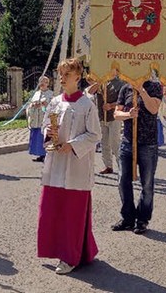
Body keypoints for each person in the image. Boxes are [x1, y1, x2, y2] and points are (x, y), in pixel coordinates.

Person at [38, 58, 100, 275]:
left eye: (66, 74)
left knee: (72, 213)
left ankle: (70, 256)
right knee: (53, 210)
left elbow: (95, 135)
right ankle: (58, 249)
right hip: (56, 164)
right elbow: (46, 126)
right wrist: (49, 135)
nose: (62, 78)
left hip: (76, 166)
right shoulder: (55, 102)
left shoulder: (87, 104)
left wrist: (72, 146)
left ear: (78, 77)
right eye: (60, 74)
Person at [111, 74, 162, 234]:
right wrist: (128, 115)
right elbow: (116, 113)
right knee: (122, 181)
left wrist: (141, 90)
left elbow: (154, 109)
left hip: (148, 143)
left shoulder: (154, 86)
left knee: (147, 183)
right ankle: (127, 217)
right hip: (127, 142)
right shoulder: (125, 88)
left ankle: (142, 219)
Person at [85, 68, 125, 174]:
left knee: (114, 142)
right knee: (104, 143)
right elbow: (90, 91)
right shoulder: (102, 82)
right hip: (102, 117)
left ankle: (122, 166)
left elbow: (124, 101)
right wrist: (100, 82)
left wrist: (111, 105)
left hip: (114, 117)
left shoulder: (121, 83)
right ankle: (108, 166)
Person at [27, 76, 54, 162]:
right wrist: (33, 106)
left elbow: (52, 107)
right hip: (36, 120)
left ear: (48, 84)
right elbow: (29, 105)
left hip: (44, 120)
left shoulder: (51, 94)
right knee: (37, 137)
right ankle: (40, 154)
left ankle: (47, 154)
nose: (42, 83)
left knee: (44, 136)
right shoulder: (36, 93)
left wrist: (44, 105)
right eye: (41, 81)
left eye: (45, 82)